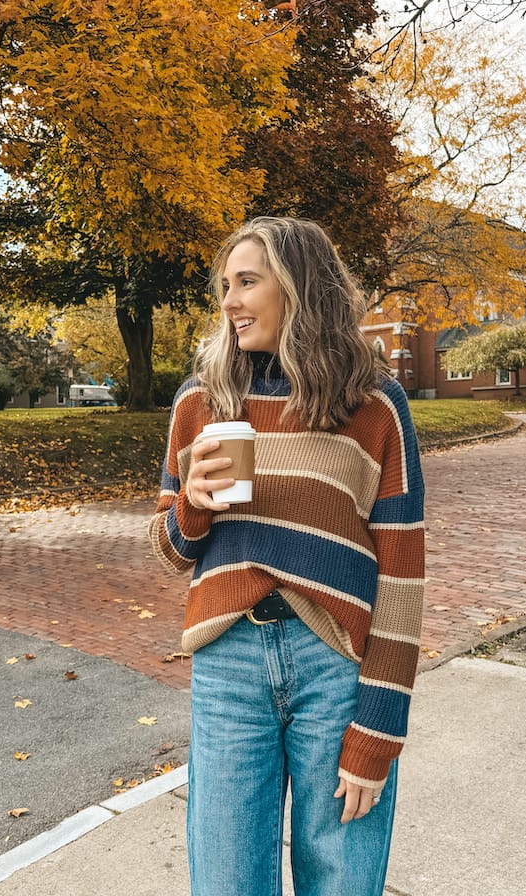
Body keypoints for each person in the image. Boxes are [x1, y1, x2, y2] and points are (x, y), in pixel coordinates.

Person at [148, 216, 425, 896]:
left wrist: (380, 730)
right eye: (224, 286)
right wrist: (194, 507)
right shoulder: (199, 401)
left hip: (335, 666)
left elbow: (403, 578)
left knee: (343, 880)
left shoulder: (374, 407)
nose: (230, 302)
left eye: (247, 282)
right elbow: (169, 550)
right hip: (227, 665)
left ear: (301, 288)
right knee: (225, 881)